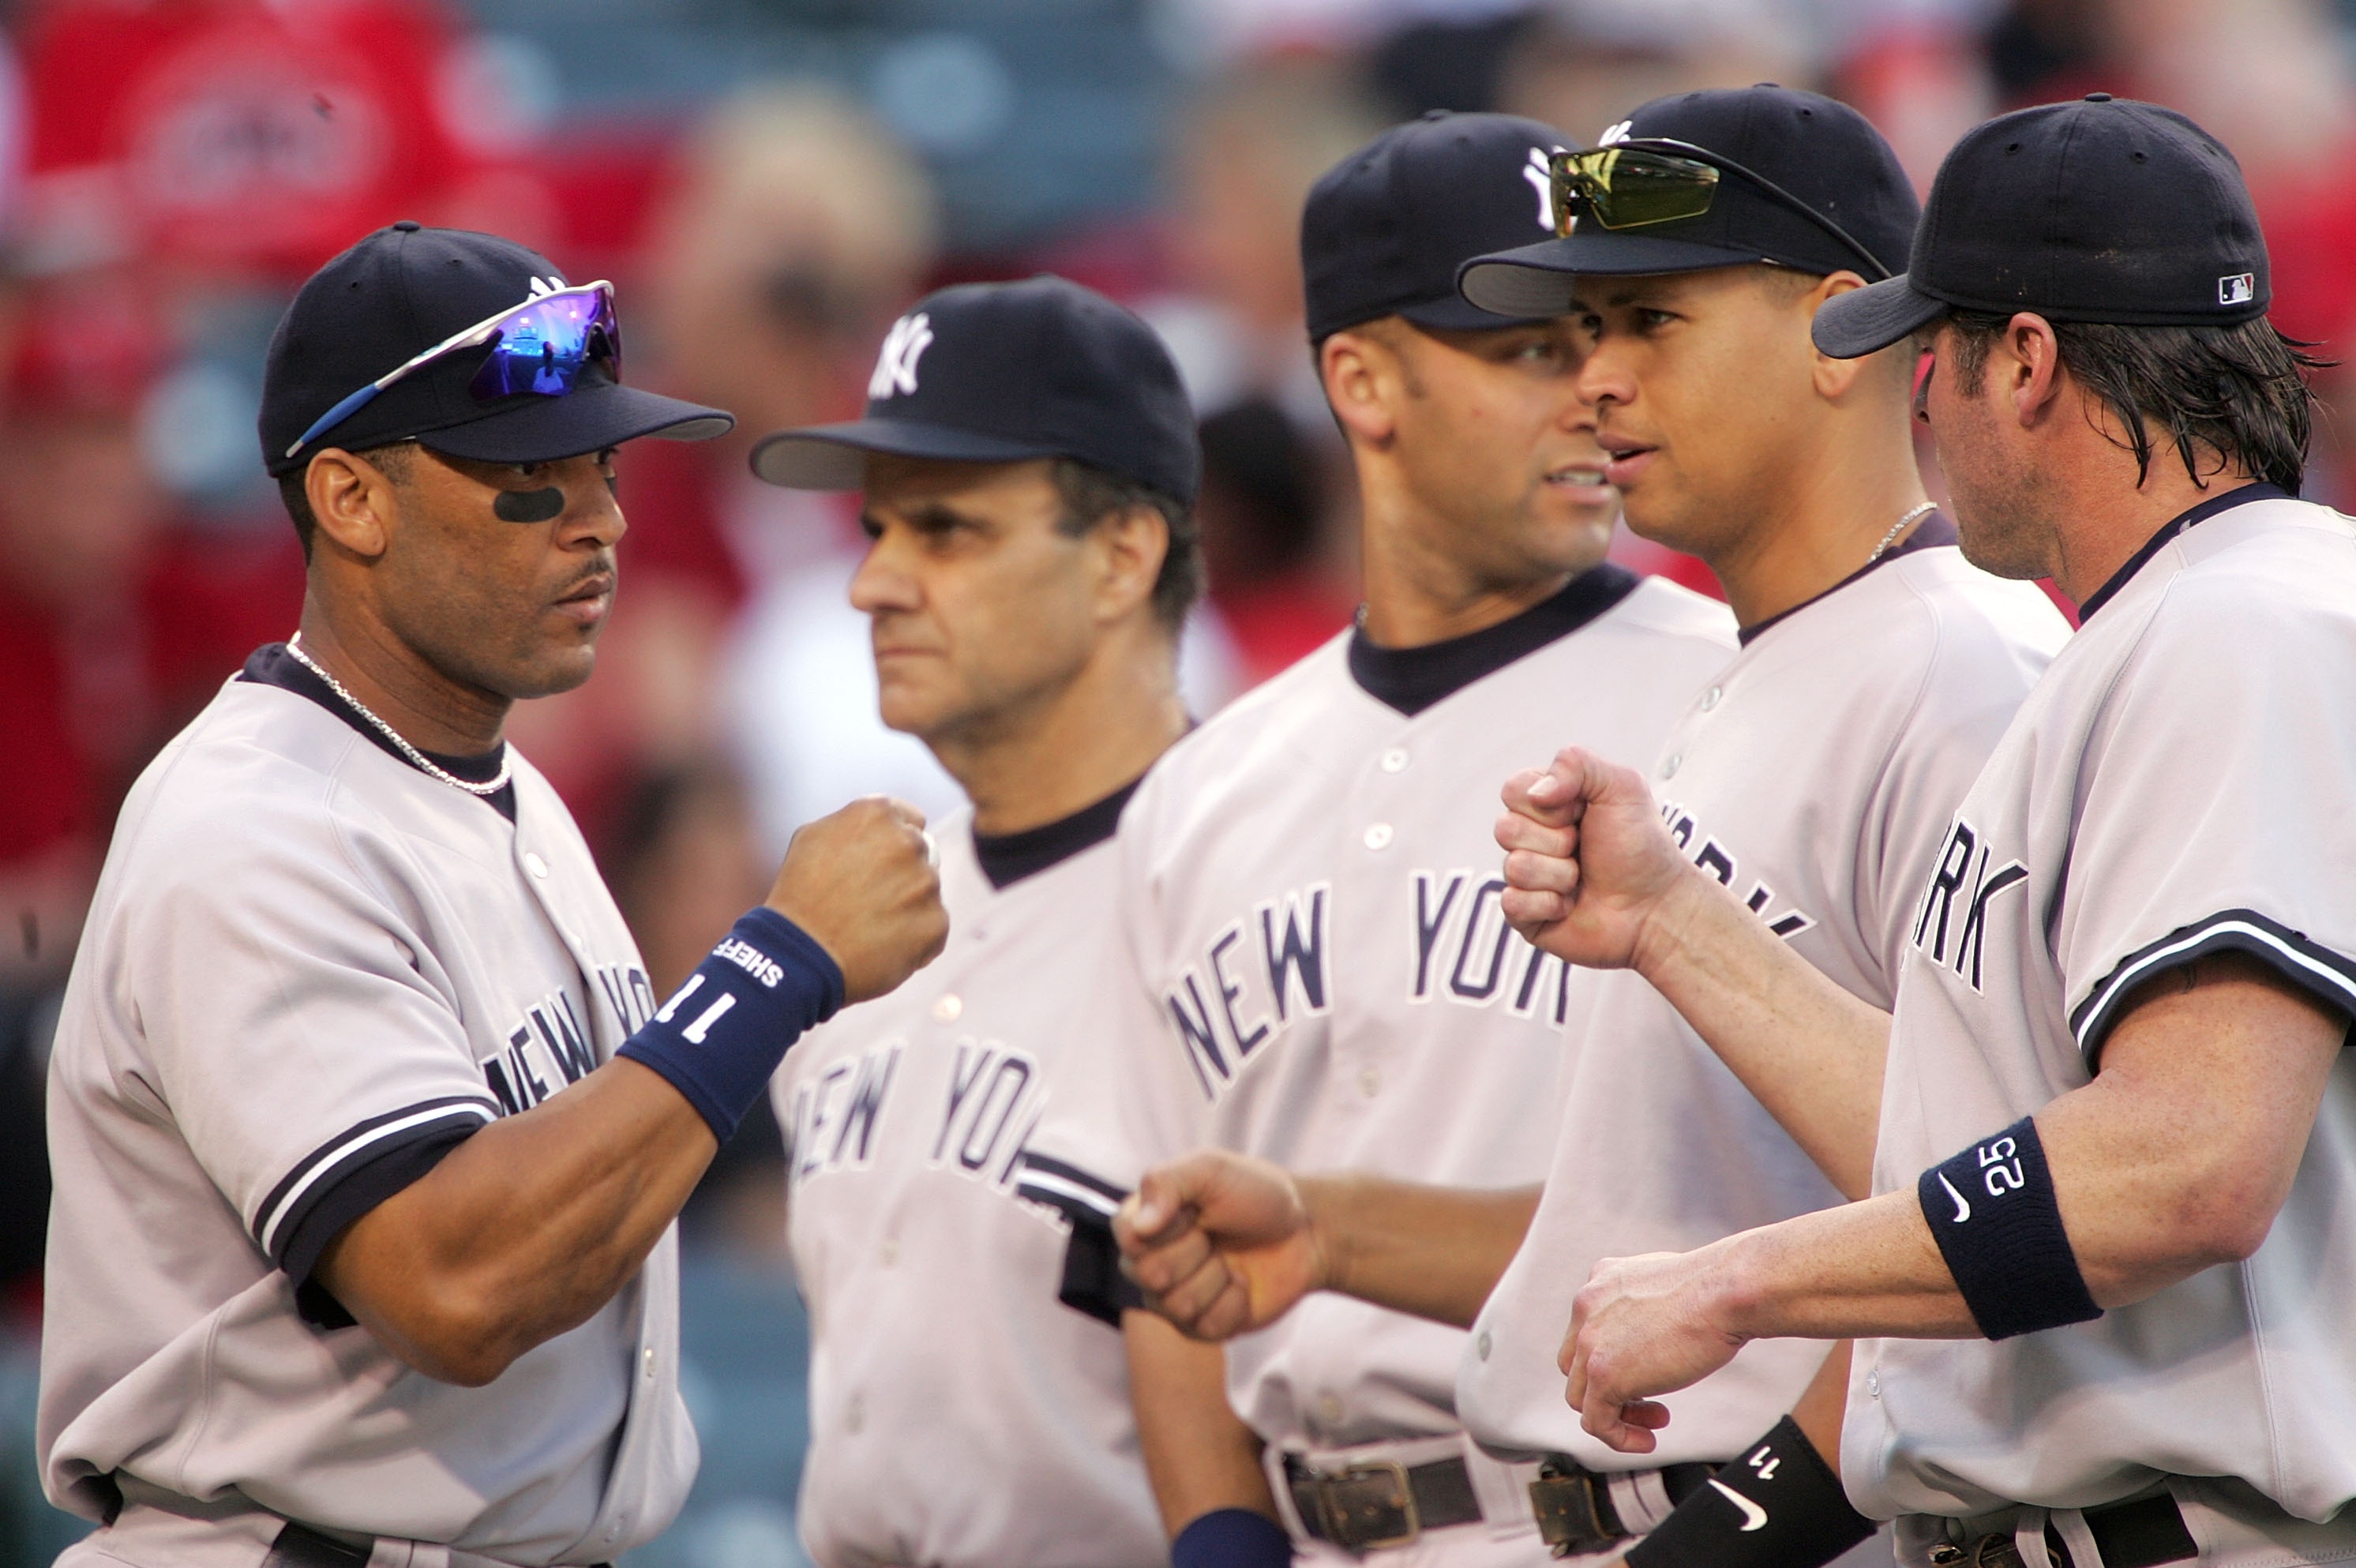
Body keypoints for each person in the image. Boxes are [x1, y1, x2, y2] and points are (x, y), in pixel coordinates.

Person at [1113, 85, 2069, 1567]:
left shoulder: (1965, 664)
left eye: (1647, 323)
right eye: (1570, 335)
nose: (1597, 384)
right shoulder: (1776, 662)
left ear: (1840, 331)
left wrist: (1728, 1538)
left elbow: (2029, 1185)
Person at [1495, 96, 2356, 1568]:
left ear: (2023, 362)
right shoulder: (2173, 623)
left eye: (1933, 353)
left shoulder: (2247, 620)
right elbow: (2000, 1152)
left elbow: (2189, 1160)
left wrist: (1741, 1280)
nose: (1921, 402)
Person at [35, 223, 948, 1567]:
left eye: (605, 466)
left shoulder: (485, 782)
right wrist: (780, 962)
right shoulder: (256, 824)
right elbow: (453, 1283)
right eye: (533, 474)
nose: (604, 519)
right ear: (352, 500)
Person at [1029, 111, 1740, 1566]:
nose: (1593, 389)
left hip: (1656, 1515)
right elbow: (1151, 1244)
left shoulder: (1740, 690)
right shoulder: (1206, 786)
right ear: (1362, 378)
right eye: (1530, 345)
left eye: (1603, 330)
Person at [745, 275, 1204, 1568]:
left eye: (945, 531)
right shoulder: (848, 931)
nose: (874, 585)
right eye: (875, 531)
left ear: (1122, 555)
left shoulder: (1258, 897)